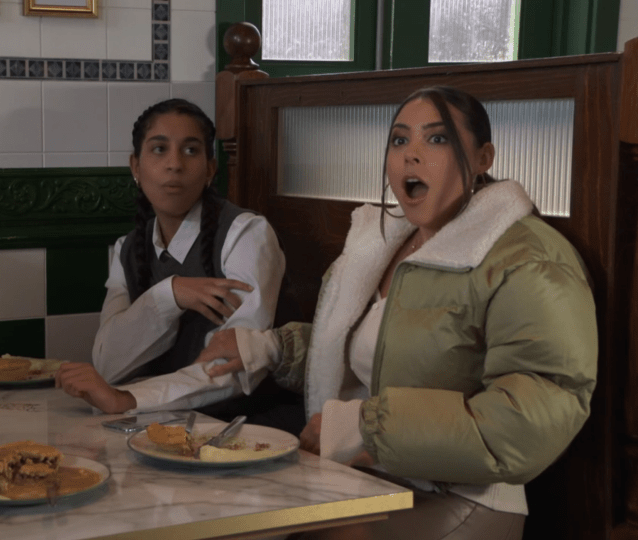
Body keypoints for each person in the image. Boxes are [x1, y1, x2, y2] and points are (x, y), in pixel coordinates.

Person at [195, 86, 597, 539]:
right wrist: (269, 348)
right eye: (400, 140)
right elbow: (369, 351)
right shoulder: (385, 241)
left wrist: (367, 430)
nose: (412, 155)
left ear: (484, 157)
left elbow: (537, 409)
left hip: (462, 495)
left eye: (437, 139)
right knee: (217, 513)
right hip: (361, 475)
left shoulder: (528, 258)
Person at [56, 98, 305, 433]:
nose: (174, 164)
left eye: (190, 151)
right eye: (159, 149)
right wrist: (168, 296)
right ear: (135, 166)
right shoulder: (127, 249)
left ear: (210, 169)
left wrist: (128, 399)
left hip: (250, 429)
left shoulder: (246, 234)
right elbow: (109, 364)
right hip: (164, 428)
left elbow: (231, 367)